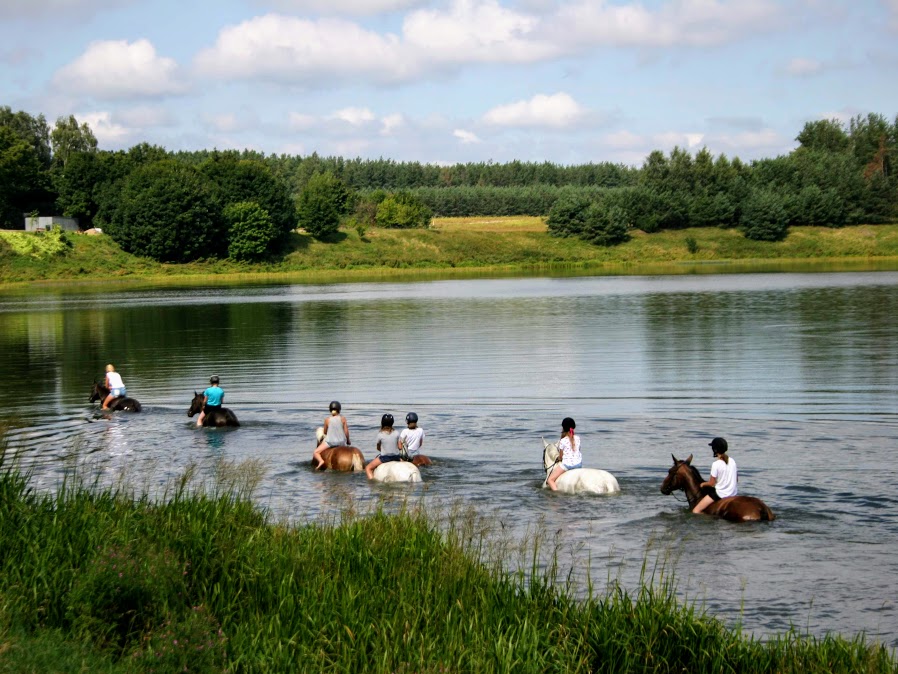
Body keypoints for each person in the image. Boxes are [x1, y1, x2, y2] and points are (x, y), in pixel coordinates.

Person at [692, 437, 738, 514]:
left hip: (721, 494)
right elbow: (736, 480)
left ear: (715, 450)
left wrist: (703, 484)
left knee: (696, 511)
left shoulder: (716, 464)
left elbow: (711, 483)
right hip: (733, 493)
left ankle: (710, 520)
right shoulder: (732, 461)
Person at [546, 417, 582, 491]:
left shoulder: (562, 441)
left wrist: (558, 458)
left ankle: (557, 494)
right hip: (579, 464)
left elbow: (561, 457)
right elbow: (578, 450)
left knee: (550, 480)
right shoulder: (578, 438)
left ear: (563, 428)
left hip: (568, 465)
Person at [313, 401, 350, 469]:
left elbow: (325, 432)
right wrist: (348, 441)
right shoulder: (343, 419)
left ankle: (321, 461)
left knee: (315, 452)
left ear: (330, 410)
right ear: (339, 410)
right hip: (342, 442)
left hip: (330, 442)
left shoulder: (327, 420)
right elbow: (346, 432)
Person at [365, 414, 402, 479]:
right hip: (396, 457)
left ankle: (372, 483)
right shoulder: (397, 433)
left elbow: (378, 448)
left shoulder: (380, 434)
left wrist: (384, 450)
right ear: (392, 423)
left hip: (385, 458)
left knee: (368, 468)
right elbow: (400, 447)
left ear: (382, 423)